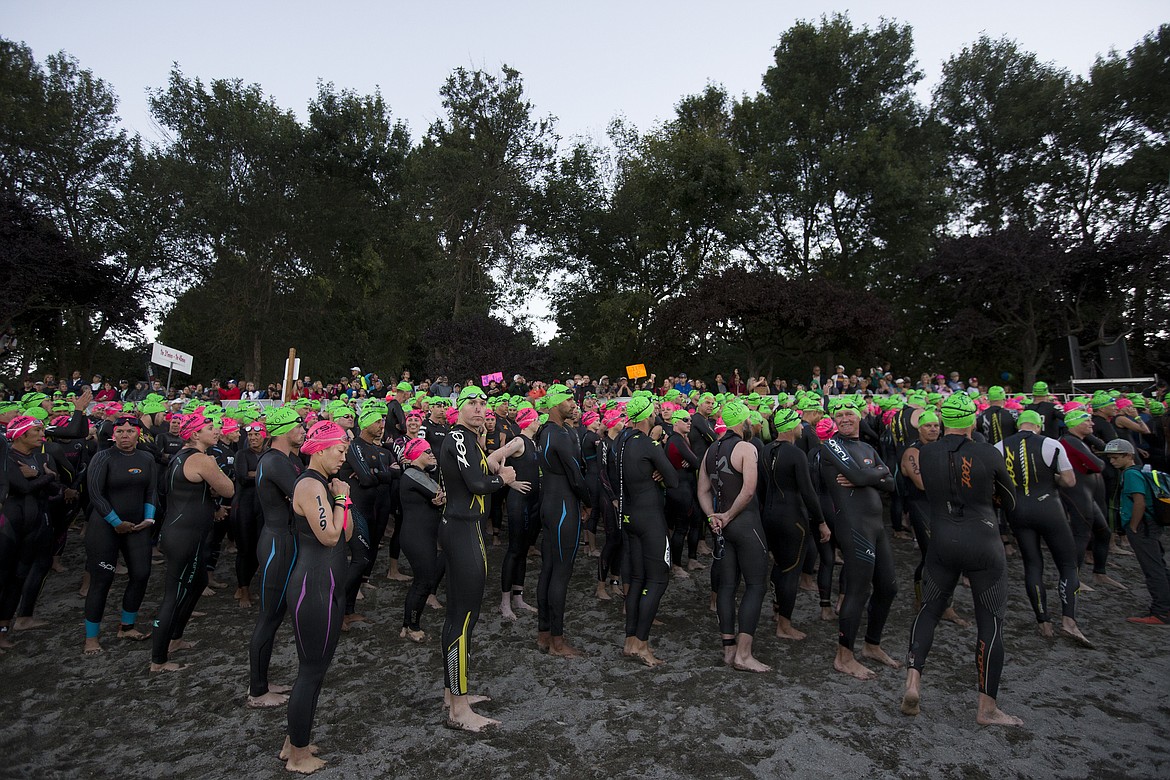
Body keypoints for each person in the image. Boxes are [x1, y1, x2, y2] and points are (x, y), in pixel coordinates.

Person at [902, 393, 1022, 727]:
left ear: (943, 422)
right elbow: (1009, 501)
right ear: (971, 421)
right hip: (982, 539)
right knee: (991, 620)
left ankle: (913, 682)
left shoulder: (926, 453)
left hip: (941, 538)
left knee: (929, 609)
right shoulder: (987, 452)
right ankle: (987, 709)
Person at [440, 385, 523, 732]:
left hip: (466, 530)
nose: (478, 410)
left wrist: (498, 456)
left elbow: (472, 472)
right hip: (463, 532)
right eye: (471, 404)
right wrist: (502, 478)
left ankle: (453, 694)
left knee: (464, 618)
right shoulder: (459, 437)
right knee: (462, 618)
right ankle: (458, 710)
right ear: (458, 409)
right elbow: (476, 483)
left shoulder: (470, 439)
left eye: (481, 404)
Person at [281, 420, 353, 774]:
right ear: (321, 449)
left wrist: (344, 497)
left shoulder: (324, 484)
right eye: (340, 451)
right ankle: (297, 757)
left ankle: (294, 740)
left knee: (316, 670)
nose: (344, 457)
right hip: (314, 587)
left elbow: (347, 532)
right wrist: (339, 497)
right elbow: (329, 536)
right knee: (310, 672)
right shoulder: (310, 485)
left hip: (327, 584)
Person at [819, 397, 900, 680]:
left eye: (849, 414)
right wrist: (872, 475)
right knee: (858, 590)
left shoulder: (866, 447)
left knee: (889, 587)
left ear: (860, 416)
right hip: (853, 526)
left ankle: (871, 645)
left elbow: (891, 482)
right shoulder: (831, 446)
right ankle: (844, 656)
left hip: (876, 526)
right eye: (838, 415)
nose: (844, 419)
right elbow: (864, 475)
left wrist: (868, 476)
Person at [150, 412, 235, 672]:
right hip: (184, 535)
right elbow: (229, 489)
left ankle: (176, 638)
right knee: (173, 595)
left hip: (183, 531)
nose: (217, 430)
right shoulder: (201, 459)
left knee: (197, 583)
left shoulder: (180, 456)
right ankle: (158, 660)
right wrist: (214, 475)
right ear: (195, 433)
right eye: (210, 427)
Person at [996, 411, 1088, 645]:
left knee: (1033, 564)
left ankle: (1043, 621)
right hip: (1049, 508)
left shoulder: (999, 446)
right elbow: (1069, 481)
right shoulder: (1051, 443)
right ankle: (1069, 621)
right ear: (1039, 425)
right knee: (1067, 564)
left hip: (1018, 511)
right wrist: (1052, 478)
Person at [698, 400, 771, 672]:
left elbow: (702, 491)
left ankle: (728, 649)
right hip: (746, 523)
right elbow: (749, 490)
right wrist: (728, 515)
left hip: (722, 528)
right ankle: (744, 654)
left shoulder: (711, 449)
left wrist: (712, 517)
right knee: (755, 585)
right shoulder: (746, 447)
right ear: (743, 422)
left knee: (727, 587)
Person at [82, 416, 157, 654]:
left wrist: (149, 518)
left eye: (130, 431)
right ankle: (91, 638)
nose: (125, 436)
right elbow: (95, 495)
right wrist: (116, 522)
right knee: (102, 581)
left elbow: (152, 491)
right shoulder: (103, 457)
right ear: (113, 434)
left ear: (138, 434)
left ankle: (127, 625)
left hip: (136, 526)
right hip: (105, 526)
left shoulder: (146, 458)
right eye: (120, 431)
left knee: (141, 574)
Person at [247, 406, 305, 708]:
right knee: (268, 618)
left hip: (285, 540)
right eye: (299, 424)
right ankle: (257, 691)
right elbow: (303, 495)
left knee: (276, 615)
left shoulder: (286, 459)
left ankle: (262, 681)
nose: (303, 429)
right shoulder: (274, 461)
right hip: (277, 544)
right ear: (283, 430)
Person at [617, 395, 678, 667]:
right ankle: (642, 644)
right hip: (650, 518)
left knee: (638, 579)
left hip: (629, 516)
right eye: (652, 411)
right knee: (658, 580)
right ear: (644, 416)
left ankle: (630, 641)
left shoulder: (620, 441)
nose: (655, 415)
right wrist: (660, 472)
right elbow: (674, 480)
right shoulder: (649, 445)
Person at [761, 408, 829, 640]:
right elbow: (809, 493)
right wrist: (821, 521)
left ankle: (777, 610)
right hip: (792, 519)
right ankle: (784, 626)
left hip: (769, 516)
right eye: (798, 424)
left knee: (779, 566)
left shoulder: (766, 449)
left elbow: (763, 488)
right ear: (790, 427)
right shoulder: (796, 454)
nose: (802, 427)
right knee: (791, 571)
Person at [535, 384, 591, 657]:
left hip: (548, 504)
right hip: (564, 507)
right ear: (555, 404)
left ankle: (543, 633)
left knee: (547, 569)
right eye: (568, 399)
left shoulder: (544, 431)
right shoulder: (560, 434)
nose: (573, 402)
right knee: (561, 573)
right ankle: (558, 642)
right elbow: (576, 477)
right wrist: (589, 503)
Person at [0, 414, 57, 646]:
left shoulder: (36, 456)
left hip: (34, 523)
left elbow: (50, 483)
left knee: (19, 578)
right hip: (11, 525)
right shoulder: (7, 457)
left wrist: (42, 476)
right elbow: (22, 487)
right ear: (21, 435)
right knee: (4, 579)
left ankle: (5, 630)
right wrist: (46, 476)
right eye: (36, 432)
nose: (42, 436)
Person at [1105, 439, 1170, 624]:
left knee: (1152, 569)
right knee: (1159, 565)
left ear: (1129, 456)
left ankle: (1160, 612)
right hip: (1152, 524)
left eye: (1116, 457)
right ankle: (1166, 607)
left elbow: (1138, 501)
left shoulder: (1131, 474)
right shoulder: (1143, 470)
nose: (1112, 461)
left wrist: (1133, 526)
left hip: (1143, 527)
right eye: (1110, 458)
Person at [398, 438, 446, 642]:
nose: (432, 453)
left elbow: (438, 498)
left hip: (421, 535)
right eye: (427, 451)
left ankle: (407, 624)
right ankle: (412, 627)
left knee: (424, 581)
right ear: (416, 454)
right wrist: (440, 498)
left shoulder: (420, 474)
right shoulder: (413, 474)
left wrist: (440, 499)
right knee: (423, 582)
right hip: (416, 536)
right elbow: (439, 495)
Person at [500, 407, 541, 619]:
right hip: (518, 501)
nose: (539, 422)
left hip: (532, 502)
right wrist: (510, 482)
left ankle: (518, 597)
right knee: (514, 551)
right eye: (536, 419)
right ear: (528, 421)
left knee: (523, 550)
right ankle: (504, 602)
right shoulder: (518, 441)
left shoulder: (533, 442)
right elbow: (492, 458)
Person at [232, 420, 266, 608]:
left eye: (256, 435)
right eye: (250, 435)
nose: (253, 438)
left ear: (264, 435)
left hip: (261, 507)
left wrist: (256, 473)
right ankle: (243, 590)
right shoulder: (242, 454)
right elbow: (243, 477)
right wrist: (264, 473)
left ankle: (245, 585)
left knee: (258, 550)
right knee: (244, 550)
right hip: (243, 507)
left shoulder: (268, 453)